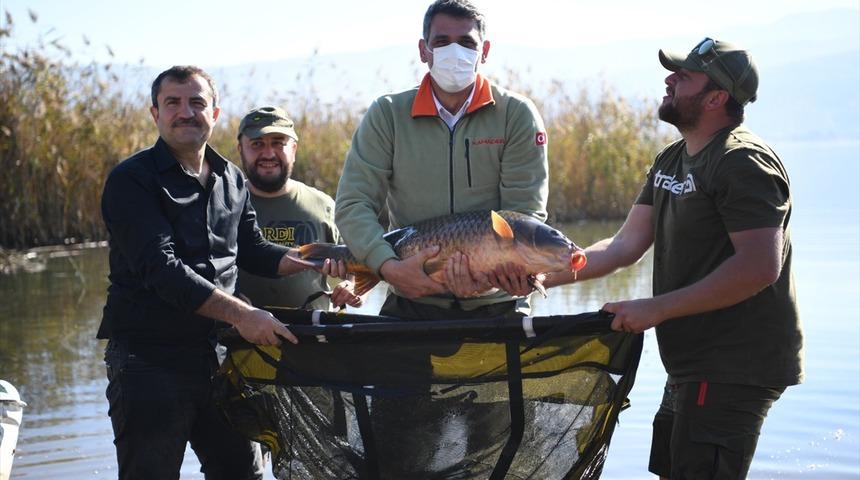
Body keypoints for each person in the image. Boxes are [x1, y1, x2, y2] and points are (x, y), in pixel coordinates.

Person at [535, 39, 804, 478]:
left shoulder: (742, 162)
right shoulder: (672, 160)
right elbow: (623, 247)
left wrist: (655, 308)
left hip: (735, 364)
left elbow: (759, 267)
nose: (669, 80)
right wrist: (539, 276)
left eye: (684, 76)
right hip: (691, 363)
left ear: (717, 97)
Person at [98, 66, 345, 479]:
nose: (185, 112)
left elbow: (254, 250)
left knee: (242, 474)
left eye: (197, 102)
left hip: (222, 359)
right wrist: (243, 315)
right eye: (172, 103)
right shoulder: (131, 180)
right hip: (149, 363)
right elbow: (163, 270)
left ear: (214, 113)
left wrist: (316, 259)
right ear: (154, 114)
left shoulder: (231, 177)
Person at [335, 0, 550, 318]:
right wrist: (388, 266)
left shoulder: (516, 115)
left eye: (466, 42)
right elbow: (353, 203)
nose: (454, 52)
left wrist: (512, 275)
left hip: (499, 304)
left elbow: (523, 215)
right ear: (424, 50)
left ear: (484, 51)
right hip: (410, 301)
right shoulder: (388, 114)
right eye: (441, 42)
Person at [235, 106, 362, 311]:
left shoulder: (324, 205)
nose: (268, 153)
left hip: (314, 337)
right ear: (240, 149)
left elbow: (360, 259)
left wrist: (352, 287)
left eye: (278, 143)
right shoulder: (224, 204)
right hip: (238, 337)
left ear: (293, 149)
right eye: (257, 144)